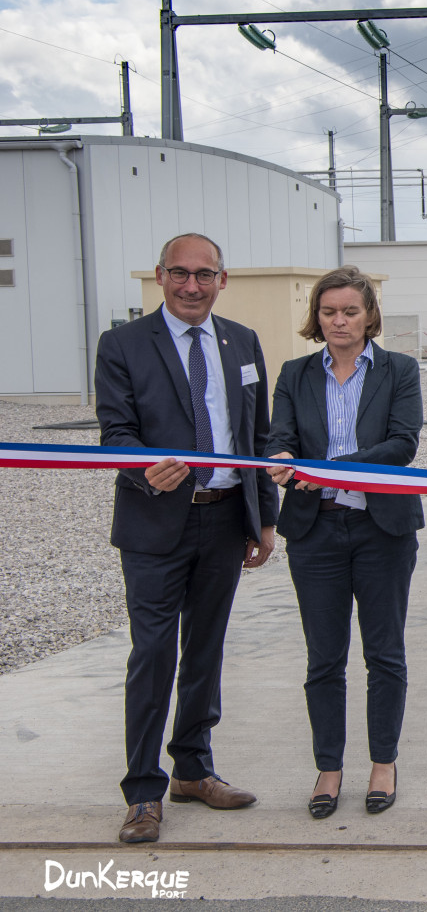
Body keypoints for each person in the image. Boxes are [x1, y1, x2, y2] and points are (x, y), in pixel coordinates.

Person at [94, 232, 278, 844]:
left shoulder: (242, 342)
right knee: (153, 655)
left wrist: (265, 519)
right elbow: (115, 433)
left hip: (225, 519)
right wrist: (143, 467)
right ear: (160, 276)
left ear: (222, 279)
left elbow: (257, 437)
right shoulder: (121, 345)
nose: (192, 285)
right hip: (155, 521)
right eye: (180, 273)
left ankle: (193, 769)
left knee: (204, 651)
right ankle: (143, 790)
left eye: (205, 274)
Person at [264, 267, 423, 820]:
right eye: (329, 312)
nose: (339, 321)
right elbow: (279, 437)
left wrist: (328, 468)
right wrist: (284, 460)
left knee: (384, 654)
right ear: (316, 317)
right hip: (315, 531)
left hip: (383, 531)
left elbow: (401, 445)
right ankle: (328, 767)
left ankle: (384, 763)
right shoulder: (294, 373)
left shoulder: (400, 370)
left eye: (350, 311)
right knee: (324, 658)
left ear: (370, 316)